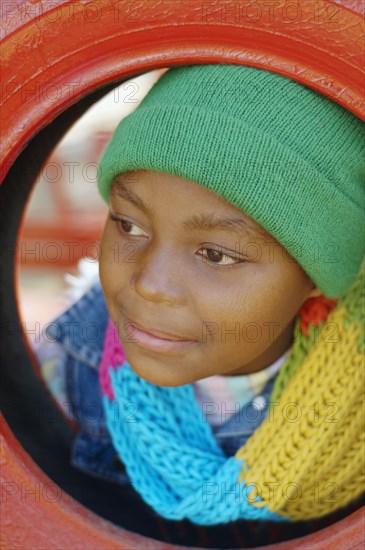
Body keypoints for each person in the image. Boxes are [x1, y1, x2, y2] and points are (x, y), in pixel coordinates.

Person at [34, 64, 364, 543]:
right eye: (129, 225)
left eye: (216, 254)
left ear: (316, 275)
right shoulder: (68, 363)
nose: (150, 284)